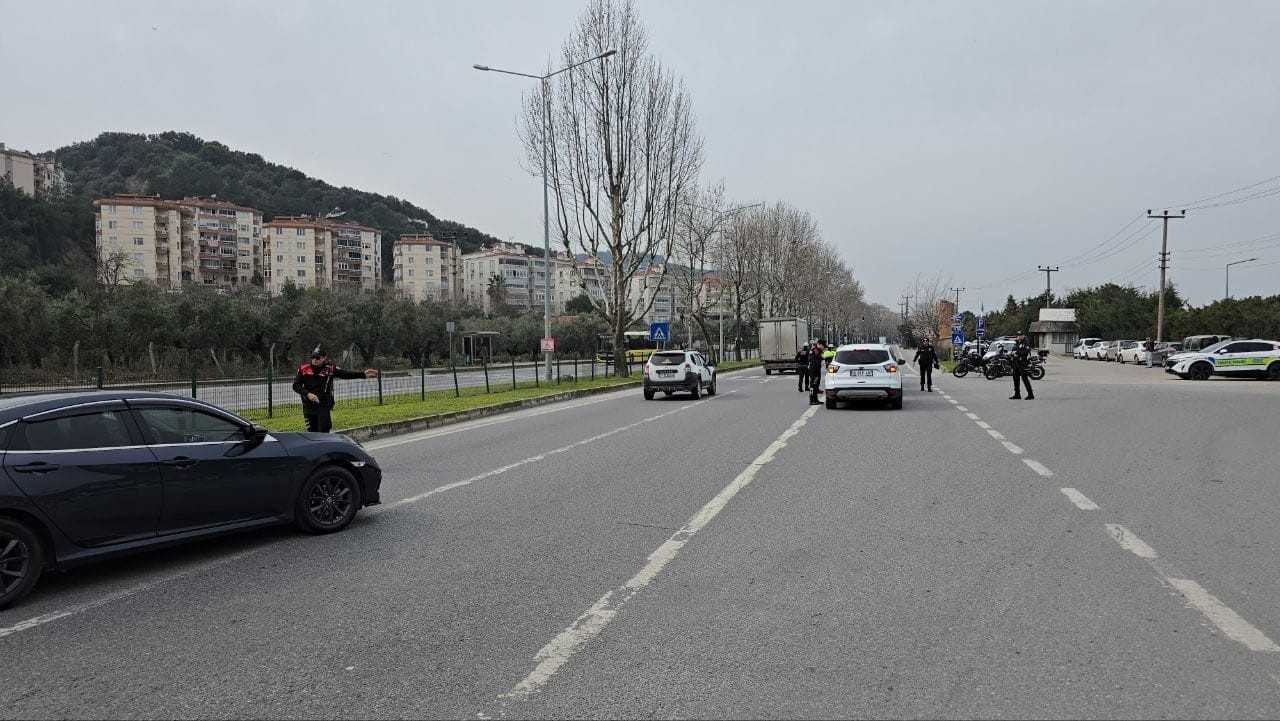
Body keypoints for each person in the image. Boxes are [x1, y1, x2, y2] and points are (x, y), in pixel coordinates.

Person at [292, 345, 379, 432]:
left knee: (323, 432)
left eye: (317, 357)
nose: (314, 359)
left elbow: (345, 374)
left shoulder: (330, 369)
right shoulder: (303, 369)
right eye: (313, 357)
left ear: (323, 358)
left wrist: (363, 374)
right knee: (312, 434)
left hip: (323, 405)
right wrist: (308, 394)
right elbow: (296, 386)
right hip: (308, 407)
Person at [1009, 333, 1035, 400]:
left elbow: (1026, 352)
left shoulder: (1026, 343)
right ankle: (1017, 394)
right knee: (1015, 379)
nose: (1019, 336)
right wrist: (1012, 354)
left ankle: (1030, 394)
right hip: (1016, 363)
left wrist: (1017, 353)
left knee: (1024, 379)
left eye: (1020, 335)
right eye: (1018, 335)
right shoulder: (1016, 343)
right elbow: (1013, 351)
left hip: (1023, 363)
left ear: (1023, 336)